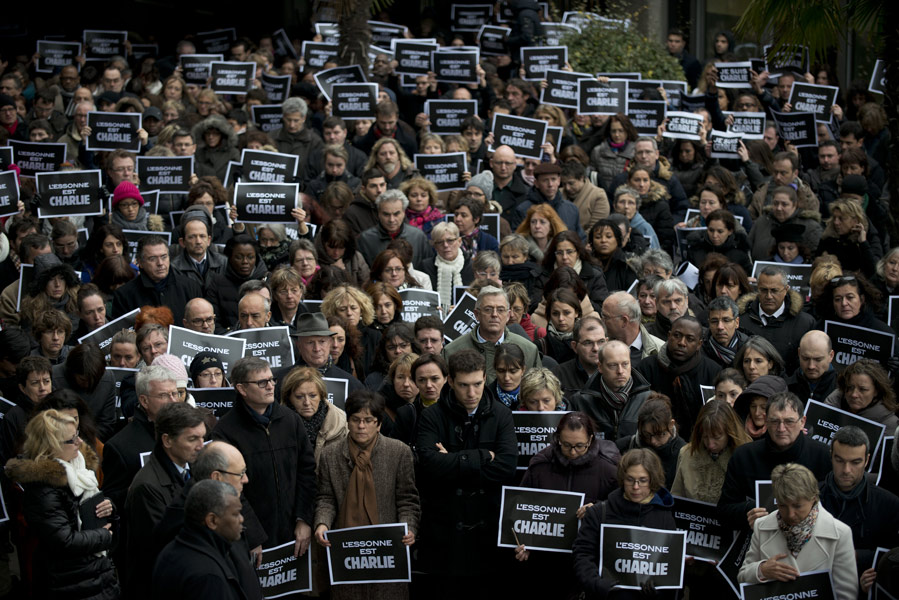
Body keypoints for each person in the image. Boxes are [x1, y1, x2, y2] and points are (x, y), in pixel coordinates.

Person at [415, 349, 517, 599]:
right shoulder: (432, 416)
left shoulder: (501, 414)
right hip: (445, 532)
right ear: (450, 381)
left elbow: (506, 467)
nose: (471, 393)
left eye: (477, 384)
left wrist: (450, 459)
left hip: (488, 531)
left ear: (485, 378)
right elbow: (429, 466)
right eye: (463, 385)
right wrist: (483, 457)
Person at [313, 390, 420, 600]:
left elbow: (407, 499)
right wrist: (322, 523)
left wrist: (409, 527)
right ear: (348, 421)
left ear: (378, 423)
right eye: (356, 420)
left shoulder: (398, 452)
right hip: (346, 549)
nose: (361, 426)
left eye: (368, 420)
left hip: (387, 549)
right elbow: (325, 497)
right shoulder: (330, 454)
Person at [5, 410, 119, 599]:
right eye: (71, 440)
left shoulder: (80, 469)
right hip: (69, 583)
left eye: (77, 435)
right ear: (50, 446)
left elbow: (94, 516)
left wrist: (109, 509)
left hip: (95, 574)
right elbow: (63, 541)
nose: (80, 443)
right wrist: (104, 535)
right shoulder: (43, 488)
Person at [213, 357, 316, 561]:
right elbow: (228, 488)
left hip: (294, 535)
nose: (270, 386)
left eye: (272, 380)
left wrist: (304, 519)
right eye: (262, 382)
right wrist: (251, 534)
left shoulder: (291, 420)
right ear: (242, 389)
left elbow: (307, 472)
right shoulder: (225, 431)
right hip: (252, 541)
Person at [515, 412, 620, 598]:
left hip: (589, 561)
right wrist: (522, 542)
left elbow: (621, 510)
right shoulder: (541, 465)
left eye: (580, 446)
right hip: (546, 563)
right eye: (566, 445)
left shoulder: (609, 469)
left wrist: (598, 509)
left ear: (591, 439)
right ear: (557, 439)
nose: (572, 452)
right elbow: (521, 509)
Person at [738, 463, 858, 600]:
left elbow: (846, 595)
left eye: (797, 506)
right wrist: (762, 570)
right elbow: (742, 576)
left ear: (813, 498)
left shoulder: (840, 533)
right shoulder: (762, 526)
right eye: (783, 505)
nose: (790, 514)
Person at [124, 403, 206, 600]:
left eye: (203, 437)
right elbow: (164, 546)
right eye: (193, 439)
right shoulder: (147, 487)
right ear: (167, 440)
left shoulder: (194, 469)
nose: (201, 445)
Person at [572, 449, 678, 600]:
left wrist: (659, 587)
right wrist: (597, 584)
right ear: (622, 479)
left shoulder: (664, 517)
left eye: (642, 480)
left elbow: (670, 564)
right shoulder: (599, 513)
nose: (635, 487)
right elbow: (583, 554)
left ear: (652, 481)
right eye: (630, 479)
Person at [718, 392, 832, 530]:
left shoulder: (823, 455)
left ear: (802, 422)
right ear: (766, 421)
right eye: (774, 421)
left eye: (789, 421)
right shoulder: (744, 456)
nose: (781, 428)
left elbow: (833, 507)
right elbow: (724, 510)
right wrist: (749, 511)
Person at [819, 426, 899, 594]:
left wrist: (857, 556)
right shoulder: (810, 499)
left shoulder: (889, 504)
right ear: (831, 456)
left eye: (855, 462)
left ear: (867, 460)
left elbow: (892, 555)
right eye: (839, 460)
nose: (846, 470)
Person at [152, 479, 263, 600]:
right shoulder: (209, 577)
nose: (241, 519)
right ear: (212, 520)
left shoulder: (170, 551)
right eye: (236, 514)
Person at [636, 316, 719, 440]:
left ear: (699, 344)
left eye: (690, 339)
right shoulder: (647, 367)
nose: (681, 343)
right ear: (669, 336)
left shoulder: (712, 371)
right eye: (677, 335)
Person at [443, 286, 540, 382]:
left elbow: (537, 390)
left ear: (508, 315)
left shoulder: (529, 350)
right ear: (477, 314)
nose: (494, 314)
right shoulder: (452, 351)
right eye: (488, 309)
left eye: (500, 310)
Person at [737, 264, 815, 374]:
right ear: (757, 288)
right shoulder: (741, 321)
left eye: (774, 291)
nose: (769, 296)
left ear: (786, 289)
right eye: (764, 290)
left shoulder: (804, 323)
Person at [569, 340, 653, 442]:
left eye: (625, 364)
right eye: (613, 365)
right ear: (600, 367)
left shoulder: (649, 399)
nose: (620, 371)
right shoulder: (580, 401)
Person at [111, 235, 203, 326]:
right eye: (152, 259)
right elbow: (123, 336)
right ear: (140, 262)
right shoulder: (124, 295)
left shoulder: (190, 287)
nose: (160, 263)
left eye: (164, 257)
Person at [671, 400, 751, 503]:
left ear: (730, 433)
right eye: (705, 437)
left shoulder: (745, 455)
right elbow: (677, 498)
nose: (710, 444)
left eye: (717, 437)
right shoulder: (686, 454)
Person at [615, 396, 687, 488]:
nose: (653, 441)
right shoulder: (625, 446)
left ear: (671, 424)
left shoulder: (683, 453)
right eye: (647, 435)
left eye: (660, 434)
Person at [205, 234, 269, 330]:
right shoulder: (217, 283)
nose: (245, 261)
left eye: (250, 257)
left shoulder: (267, 280)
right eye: (239, 257)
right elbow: (214, 321)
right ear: (230, 258)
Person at [357, 189, 432, 269]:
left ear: (404, 212)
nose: (391, 220)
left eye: (396, 214)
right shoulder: (365, 239)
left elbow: (426, 268)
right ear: (378, 213)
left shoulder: (418, 236)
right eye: (386, 214)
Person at [748, 186, 822, 260]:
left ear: (794, 205)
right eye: (775, 203)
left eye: (784, 204)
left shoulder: (810, 227)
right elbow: (748, 247)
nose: (779, 208)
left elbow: (815, 257)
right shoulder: (762, 221)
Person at [825, 359, 899, 431]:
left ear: (877, 391)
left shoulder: (888, 424)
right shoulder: (828, 408)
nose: (854, 395)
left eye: (863, 389)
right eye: (850, 387)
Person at [513, 162, 585, 237]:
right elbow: (518, 240)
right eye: (545, 180)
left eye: (553, 179)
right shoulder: (523, 210)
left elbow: (580, 238)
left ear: (559, 181)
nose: (550, 184)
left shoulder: (571, 209)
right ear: (536, 183)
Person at [817, 199, 881, 277]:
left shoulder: (870, 237)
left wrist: (863, 243)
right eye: (834, 218)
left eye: (841, 218)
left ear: (855, 220)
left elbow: (874, 270)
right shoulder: (828, 238)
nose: (836, 222)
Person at [601, 291, 664, 367]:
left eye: (606, 317)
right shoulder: (600, 347)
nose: (602, 321)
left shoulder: (660, 350)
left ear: (624, 321)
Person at [419, 222, 474, 309]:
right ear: (435, 246)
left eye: (450, 240)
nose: (445, 245)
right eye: (440, 242)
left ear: (459, 241)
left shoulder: (472, 267)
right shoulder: (425, 267)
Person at [685, 209, 753, 276]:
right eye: (711, 230)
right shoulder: (696, 249)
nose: (714, 235)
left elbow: (749, 276)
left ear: (730, 231)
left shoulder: (739, 253)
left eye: (720, 231)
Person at [556, 316, 606, 399]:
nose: (596, 348)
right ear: (574, 347)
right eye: (588, 343)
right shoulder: (557, 376)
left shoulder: (618, 372)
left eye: (601, 342)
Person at [786, 330, 837, 403]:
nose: (811, 366)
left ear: (831, 356)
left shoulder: (841, 390)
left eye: (818, 360)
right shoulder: (786, 386)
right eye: (805, 359)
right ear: (799, 353)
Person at [587, 220, 637, 293]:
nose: (603, 240)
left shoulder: (627, 265)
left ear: (617, 239)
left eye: (609, 236)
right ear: (592, 242)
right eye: (598, 237)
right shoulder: (586, 264)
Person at [703, 296, 748, 368]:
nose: (720, 327)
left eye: (726, 320)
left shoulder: (748, 349)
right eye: (714, 321)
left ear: (736, 322)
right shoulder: (699, 349)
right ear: (709, 323)